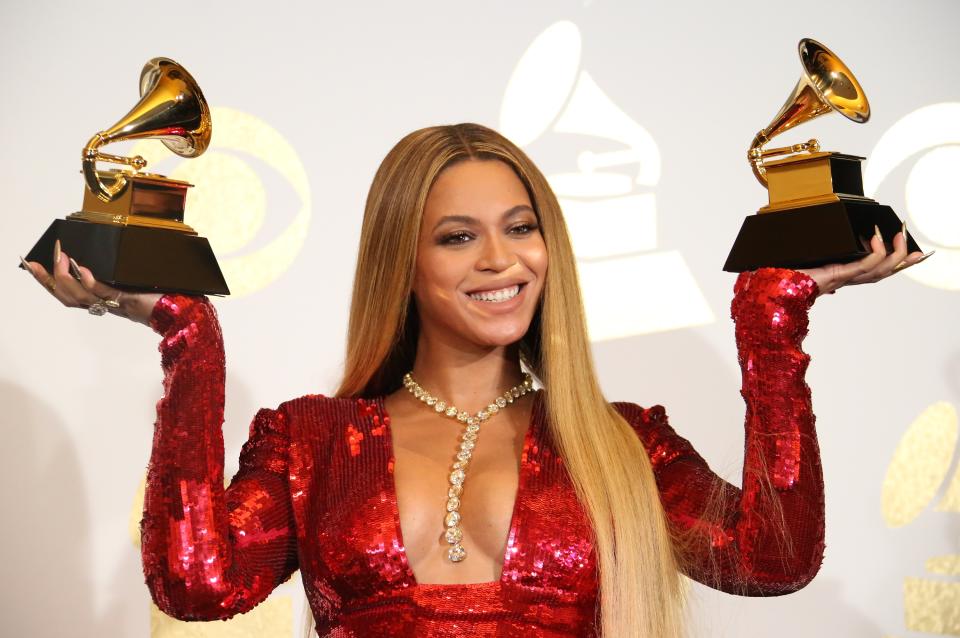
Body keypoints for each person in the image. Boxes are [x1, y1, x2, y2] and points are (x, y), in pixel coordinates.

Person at [22, 123, 928, 637]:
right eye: (458, 236)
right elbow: (195, 584)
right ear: (402, 261)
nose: (503, 260)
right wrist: (189, 339)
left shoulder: (623, 444)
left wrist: (772, 325)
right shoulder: (310, 440)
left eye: (522, 227)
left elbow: (775, 559)